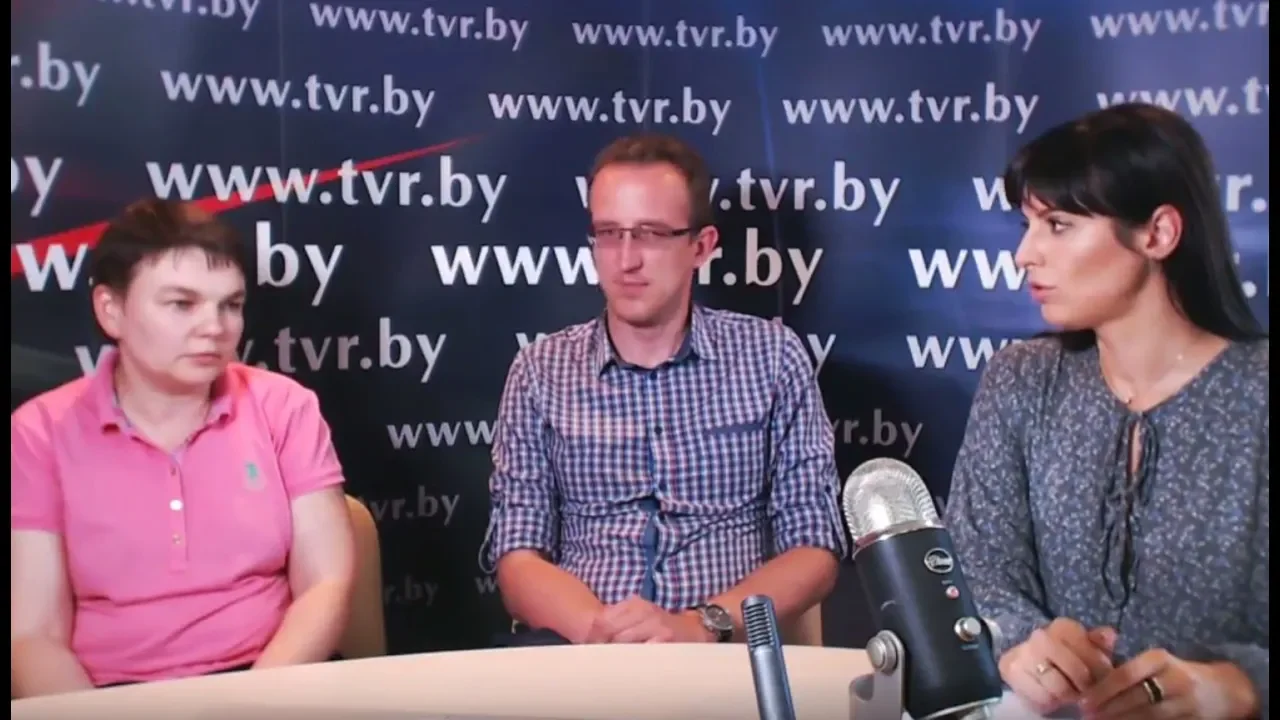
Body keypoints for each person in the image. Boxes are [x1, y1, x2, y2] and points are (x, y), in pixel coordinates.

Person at [945, 102, 1268, 719]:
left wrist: (1238, 685)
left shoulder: (1258, 395)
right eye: (1028, 226)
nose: (1024, 255)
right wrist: (1018, 645)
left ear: (1158, 233)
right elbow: (976, 569)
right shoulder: (1021, 380)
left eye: (1059, 225)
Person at [481, 133, 847, 647]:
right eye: (609, 233)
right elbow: (518, 557)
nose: (626, 259)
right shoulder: (540, 372)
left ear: (702, 246)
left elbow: (814, 549)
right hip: (582, 653)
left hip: (726, 655)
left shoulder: (773, 358)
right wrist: (602, 634)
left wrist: (701, 626)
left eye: (650, 234)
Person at [11, 198, 357, 695]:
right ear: (111, 310)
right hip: (111, 696)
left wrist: (248, 707)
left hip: (272, 683)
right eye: (182, 304)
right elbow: (34, 634)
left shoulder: (285, 407)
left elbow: (325, 586)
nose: (214, 327)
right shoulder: (39, 431)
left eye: (230, 305)